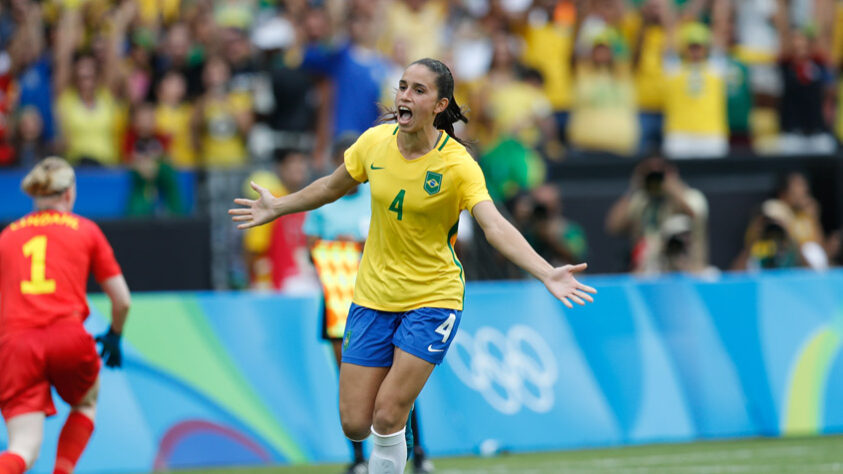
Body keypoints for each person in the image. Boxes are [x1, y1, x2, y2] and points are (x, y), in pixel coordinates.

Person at [230, 58, 596, 474]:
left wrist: (545, 270)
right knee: (354, 422)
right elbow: (331, 187)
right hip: (372, 296)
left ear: (440, 105)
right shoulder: (373, 143)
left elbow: (493, 225)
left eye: (418, 90)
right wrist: (278, 206)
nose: (404, 96)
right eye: (402, 87)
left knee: (388, 415)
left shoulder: (457, 164)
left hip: (433, 298)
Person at [0, 157, 131, 474]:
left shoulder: (7, 236)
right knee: (86, 401)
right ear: (69, 194)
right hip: (67, 336)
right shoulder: (86, 230)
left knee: (23, 447)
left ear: (35, 195)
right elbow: (123, 300)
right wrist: (114, 334)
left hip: (16, 345)